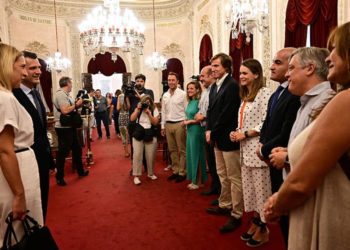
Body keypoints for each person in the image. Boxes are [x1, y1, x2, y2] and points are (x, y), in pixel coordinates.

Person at [264, 22, 350, 250]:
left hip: (330, 207)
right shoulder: (315, 100)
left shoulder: (343, 100)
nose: (329, 58)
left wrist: (276, 203)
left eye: (335, 49)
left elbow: (303, 181)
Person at [256, 47, 300, 246]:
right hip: (273, 157)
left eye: (278, 63)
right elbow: (267, 123)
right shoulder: (277, 93)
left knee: (290, 216)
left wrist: (264, 150)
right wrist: (262, 145)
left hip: (286, 160)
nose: (271, 67)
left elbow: (287, 132)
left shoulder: (295, 94)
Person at [0, 43, 43, 246]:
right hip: (17, 172)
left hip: (20, 167)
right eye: (22, 67)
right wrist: (19, 194)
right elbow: (5, 150)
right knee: (19, 234)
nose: (25, 73)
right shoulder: (5, 98)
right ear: (7, 67)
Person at [269, 47, 335, 172]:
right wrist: (290, 151)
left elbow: (324, 153)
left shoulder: (327, 102)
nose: (287, 74)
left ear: (310, 69)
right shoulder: (306, 101)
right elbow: (310, 145)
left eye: (291, 68)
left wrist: (288, 158)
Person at [229, 59, 272, 247]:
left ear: (256, 74)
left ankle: (264, 228)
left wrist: (244, 133)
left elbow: (265, 122)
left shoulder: (265, 94)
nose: (241, 76)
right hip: (244, 150)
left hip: (257, 151)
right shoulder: (246, 95)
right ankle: (256, 222)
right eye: (240, 73)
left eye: (245, 73)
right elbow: (244, 122)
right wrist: (236, 132)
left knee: (262, 192)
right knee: (252, 192)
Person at [12, 50, 54, 222]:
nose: (39, 71)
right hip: (24, 164)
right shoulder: (12, 95)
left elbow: (41, 130)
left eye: (39, 67)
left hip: (41, 160)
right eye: (32, 68)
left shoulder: (36, 92)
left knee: (40, 206)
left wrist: (49, 158)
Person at [205, 53, 243, 234]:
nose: (213, 69)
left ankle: (237, 214)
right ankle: (225, 204)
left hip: (228, 138)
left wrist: (213, 132)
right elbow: (211, 112)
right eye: (212, 66)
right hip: (216, 137)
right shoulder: (214, 87)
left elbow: (227, 114)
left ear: (226, 68)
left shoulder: (232, 85)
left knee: (234, 177)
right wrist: (208, 130)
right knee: (221, 173)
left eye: (217, 66)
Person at [53, 76, 89, 186]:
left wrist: (78, 104)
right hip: (63, 128)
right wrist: (76, 105)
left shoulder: (66, 95)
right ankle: (59, 177)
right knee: (63, 153)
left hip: (70, 126)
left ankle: (80, 171)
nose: (72, 85)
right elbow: (65, 110)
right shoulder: (60, 94)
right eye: (71, 83)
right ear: (67, 83)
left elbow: (71, 108)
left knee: (77, 149)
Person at [196, 66, 221, 197]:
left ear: (211, 76)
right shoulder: (206, 91)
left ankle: (219, 190)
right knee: (211, 162)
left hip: (212, 130)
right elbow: (202, 108)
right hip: (205, 128)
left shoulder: (216, 90)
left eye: (203, 76)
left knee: (216, 164)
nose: (201, 79)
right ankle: (214, 186)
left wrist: (202, 116)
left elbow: (212, 111)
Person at [161, 72, 187, 183]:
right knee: (172, 150)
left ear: (177, 81)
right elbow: (163, 111)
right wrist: (162, 126)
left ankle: (182, 172)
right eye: (169, 80)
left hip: (179, 123)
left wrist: (185, 124)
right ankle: (176, 170)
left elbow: (186, 110)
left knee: (182, 150)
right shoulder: (165, 95)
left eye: (173, 80)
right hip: (168, 124)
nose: (171, 82)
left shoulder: (183, 94)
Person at [130, 95, 159, 185]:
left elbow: (155, 122)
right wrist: (138, 110)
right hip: (139, 132)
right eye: (144, 102)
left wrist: (149, 113)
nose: (146, 104)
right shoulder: (138, 108)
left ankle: (150, 173)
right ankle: (136, 176)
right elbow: (132, 119)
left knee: (150, 155)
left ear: (151, 103)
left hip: (150, 132)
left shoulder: (154, 109)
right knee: (137, 154)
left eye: (148, 102)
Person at [183, 81, 207, 190]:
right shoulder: (191, 101)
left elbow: (202, 118)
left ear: (197, 90)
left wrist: (189, 122)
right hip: (190, 131)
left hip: (197, 131)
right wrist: (186, 121)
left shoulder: (199, 101)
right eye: (188, 88)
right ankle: (194, 179)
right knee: (190, 154)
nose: (189, 90)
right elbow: (190, 115)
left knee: (197, 155)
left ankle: (198, 181)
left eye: (192, 88)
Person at [117, 91, 130, 157]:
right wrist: (122, 103)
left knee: (129, 134)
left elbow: (129, 107)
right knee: (124, 134)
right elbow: (118, 108)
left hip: (130, 116)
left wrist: (127, 100)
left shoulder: (131, 95)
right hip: (122, 116)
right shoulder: (120, 96)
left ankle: (128, 152)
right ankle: (126, 151)